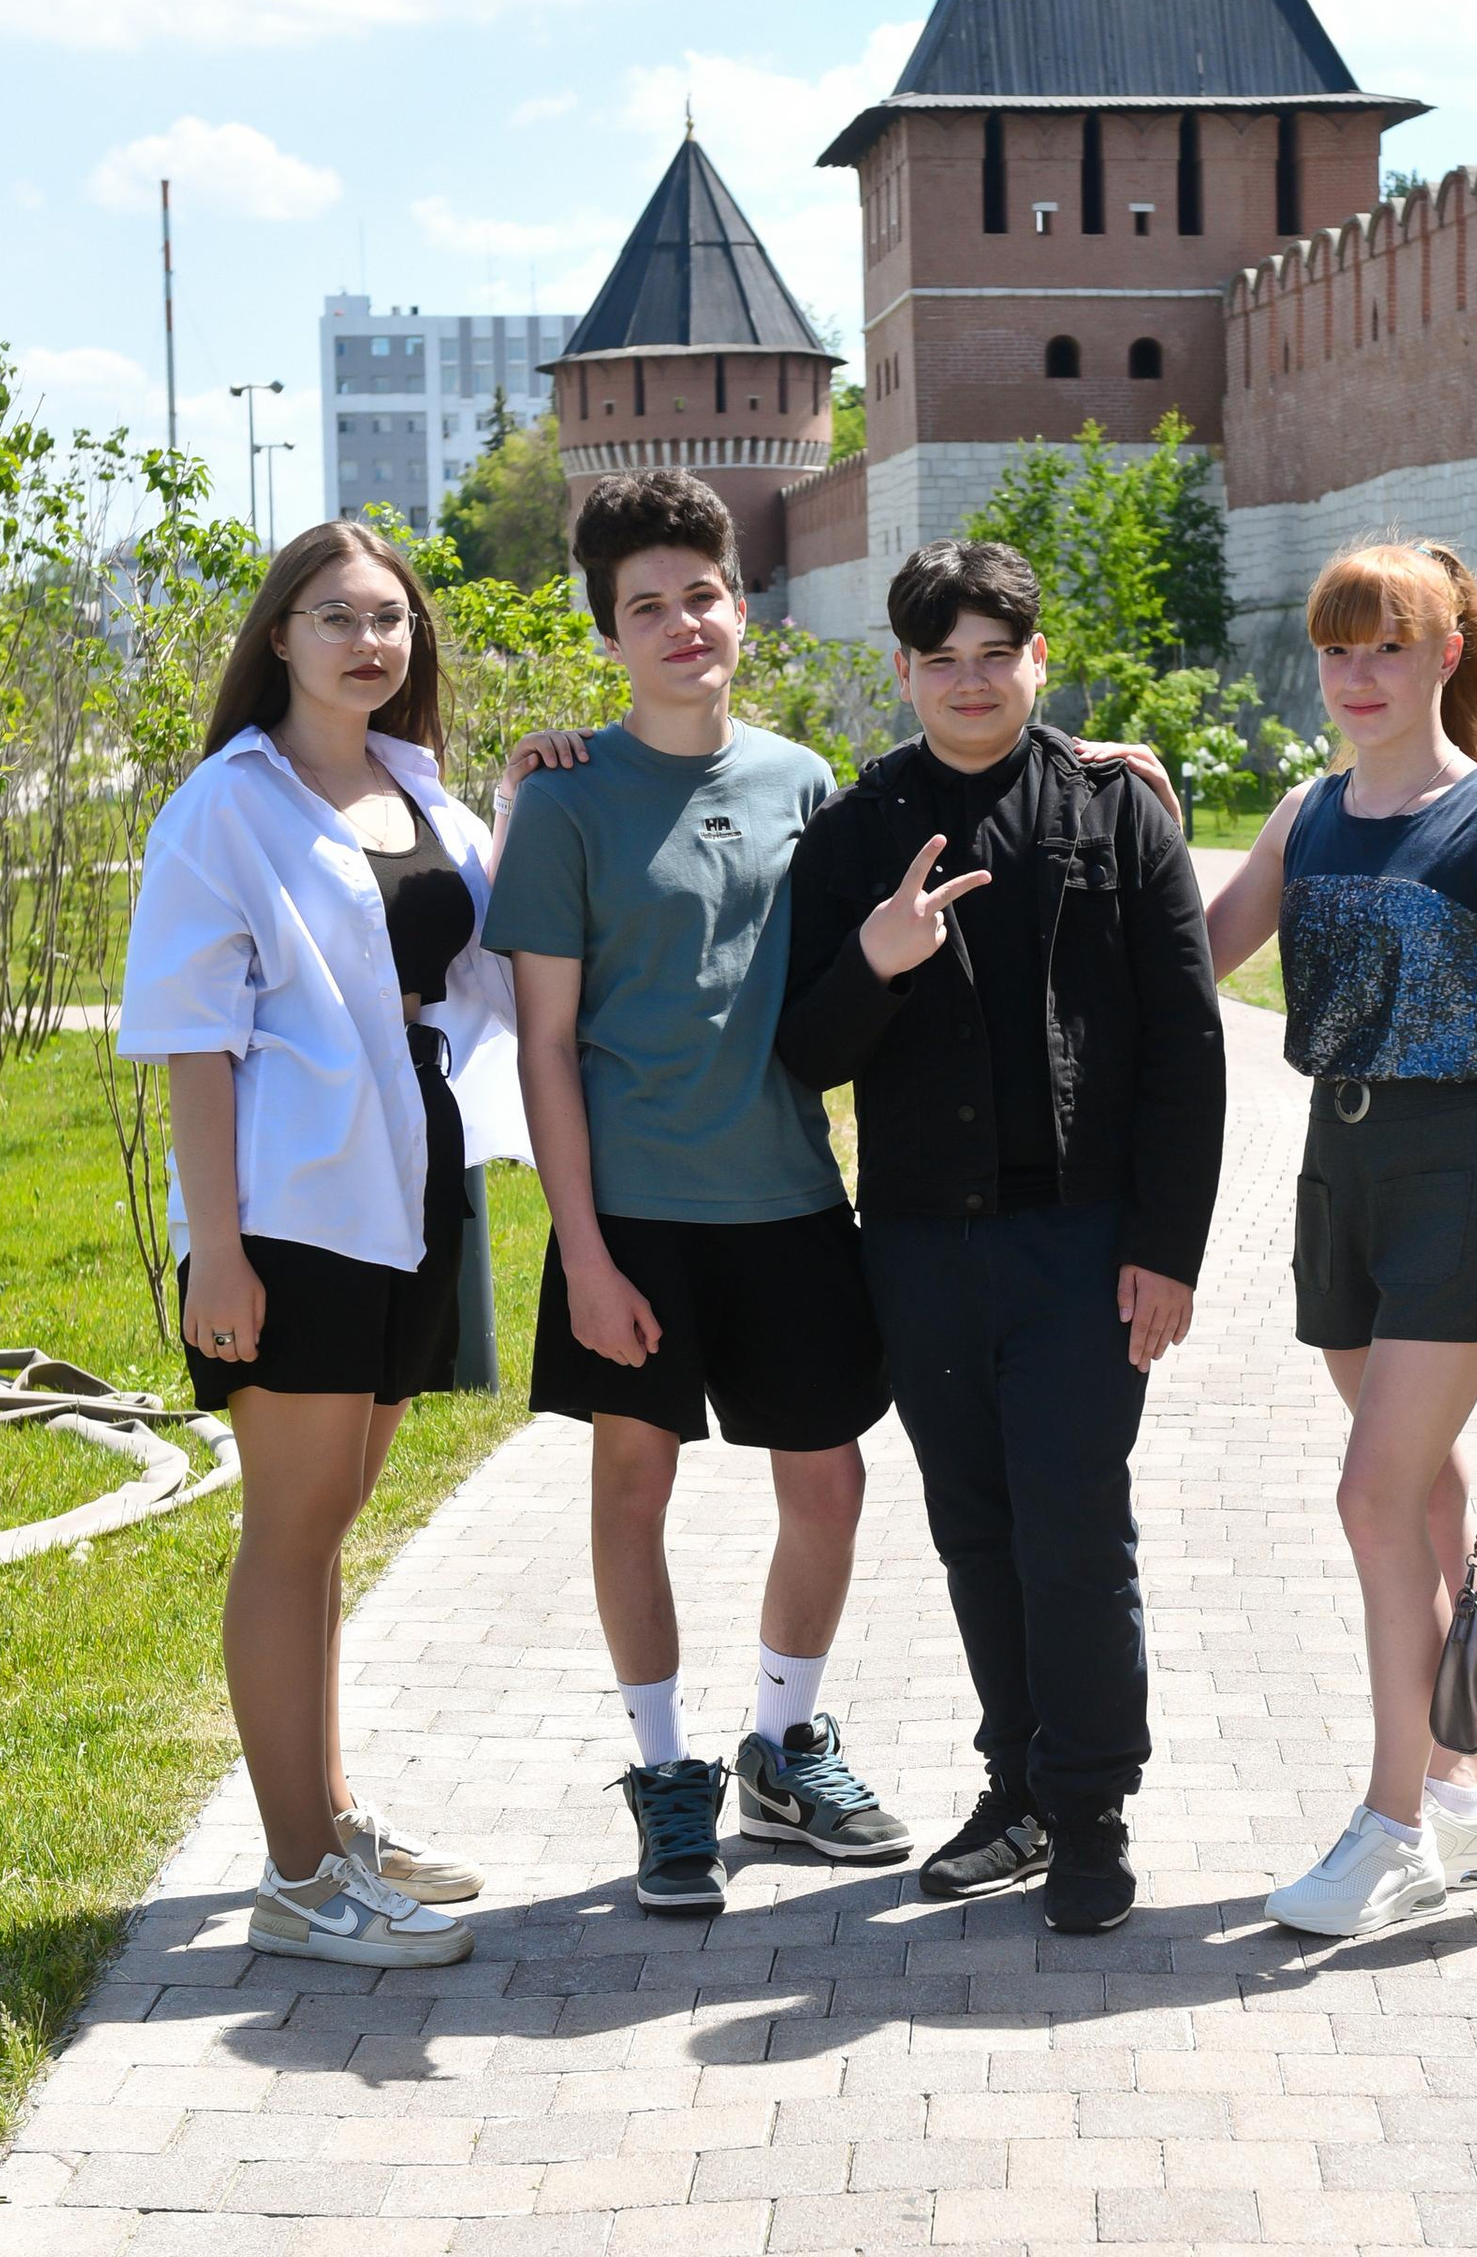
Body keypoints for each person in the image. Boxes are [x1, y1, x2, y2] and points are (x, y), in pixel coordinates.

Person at [119, 518, 587, 1969]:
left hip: (412, 1180)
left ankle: (327, 1820)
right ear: (280, 636)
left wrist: (520, 807)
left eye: (389, 618)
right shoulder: (227, 805)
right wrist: (219, 1251)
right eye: (335, 616)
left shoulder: (412, 787)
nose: (367, 641)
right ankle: (298, 1879)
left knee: (335, 1524)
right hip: (293, 1206)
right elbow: (192, 1043)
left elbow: (484, 961)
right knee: (292, 1529)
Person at [779, 539, 1226, 1934]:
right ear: (904, 671)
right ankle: (1018, 1787)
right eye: (942, 660)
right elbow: (804, 1050)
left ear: (1039, 660)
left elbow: (1188, 1044)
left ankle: (1089, 1812)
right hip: (922, 1246)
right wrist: (876, 962)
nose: (969, 683)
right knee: (975, 1526)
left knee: (1074, 1525)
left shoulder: (1116, 808)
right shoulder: (858, 830)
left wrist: (1168, 1249)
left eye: (995, 656)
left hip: (1086, 1247)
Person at [484, 470, 910, 1917]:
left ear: (745, 607)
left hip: (790, 1197)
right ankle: (666, 1775)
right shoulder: (566, 800)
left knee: (832, 1484)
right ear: (609, 634)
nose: (682, 625)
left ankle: (783, 1750)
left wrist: (1102, 759)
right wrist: (585, 1255)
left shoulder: (805, 783)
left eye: (703, 597)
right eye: (646, 607)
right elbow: (544, 1046)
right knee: (633, 1488)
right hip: (637, 1219)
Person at [1203, 538, 1477, 1940]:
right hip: (1340, 1171)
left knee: (1372, 1495)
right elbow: (1194, 953)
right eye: (1336, 649)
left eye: (1388, 646)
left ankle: (1393, 1826)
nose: (1357, 675)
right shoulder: (1306, 813)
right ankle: (1467, 1787)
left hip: (1461, 1176)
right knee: (1417, 1489)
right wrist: (1129, 794)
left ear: (1446, 655)